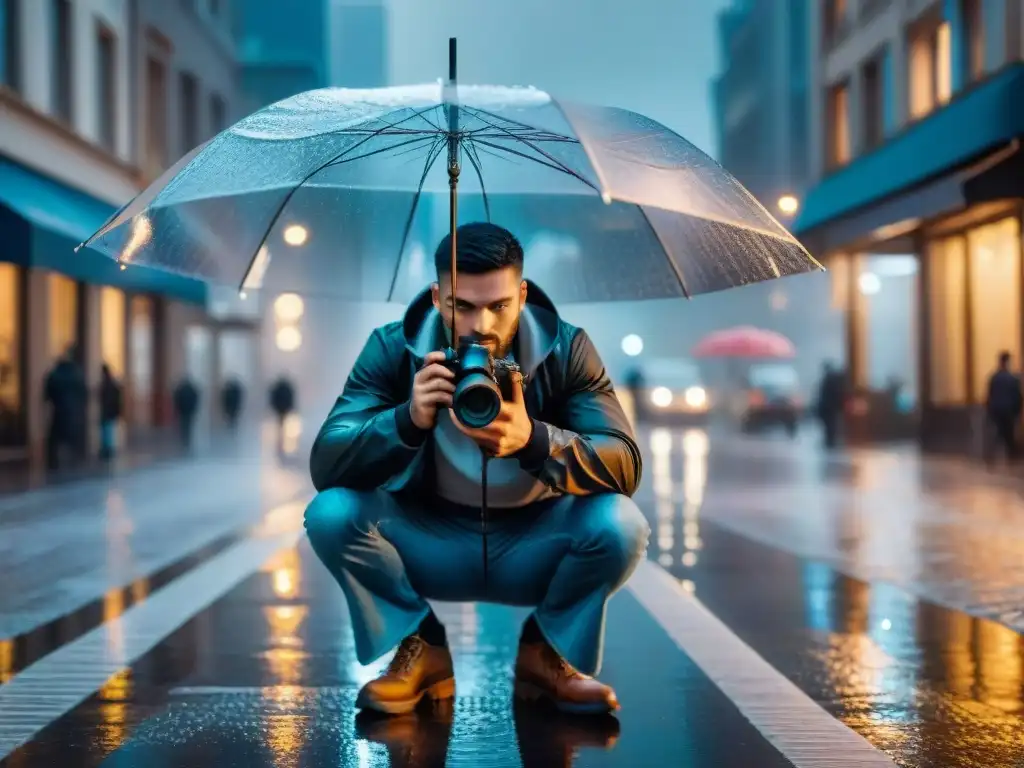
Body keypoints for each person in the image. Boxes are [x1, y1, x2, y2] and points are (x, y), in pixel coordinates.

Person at [305, 222, 648, 717]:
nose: (481, 325)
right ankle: (420, 645)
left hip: (535, 542)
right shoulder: (391, 348)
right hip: (429, 538)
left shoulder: (567, 349)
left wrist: (535, 441)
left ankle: (544, 650)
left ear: (522, 294)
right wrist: (405, 420)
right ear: (438, 295)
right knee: (331, 513)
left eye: (499, 305)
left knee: (620, 525)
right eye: (461, 306)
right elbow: (327, 461)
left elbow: (624, 462)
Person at [985, 351, 1022, 465]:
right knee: (1008, 435)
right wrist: (1017, 412)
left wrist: (990, 410)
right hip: (1008, 411)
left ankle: (992, 457)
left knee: (999, 434)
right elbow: (1018, 396)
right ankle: (1012, 459)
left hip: (997, 410)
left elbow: (990, 395)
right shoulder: (1012, 379)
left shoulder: (994, 378)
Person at [98, 364, 124, 460]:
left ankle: (107, 449)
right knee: (109, 430)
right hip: (110, 411)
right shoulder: (112, 384)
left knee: (107, 430)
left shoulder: (107, 384)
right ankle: (108, 449)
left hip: (108, 411)